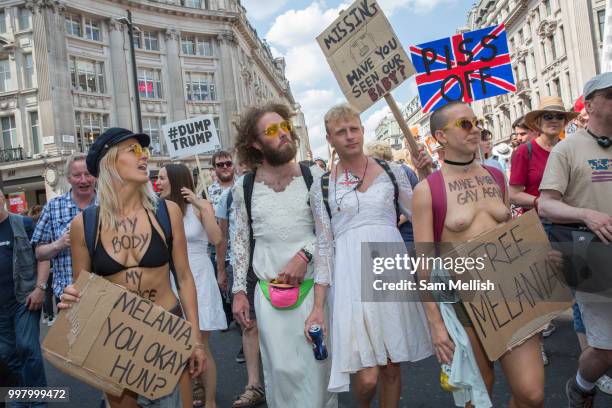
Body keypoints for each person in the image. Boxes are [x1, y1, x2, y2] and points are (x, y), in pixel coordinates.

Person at [58, 128, 206, 408]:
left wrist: (195, 339)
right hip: (117, 341)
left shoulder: (166, 212)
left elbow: (185, 279)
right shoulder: (84, 225)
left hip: (168, 333)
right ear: (110, 161)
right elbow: (83, 294)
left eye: (144, 151)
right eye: (133, 151)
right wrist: (70, 298)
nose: (144, 157)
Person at [413, 101, 545, 408]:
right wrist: (436, 325)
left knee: (532, 394)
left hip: (511, 295)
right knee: (476, 396)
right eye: (464, 124)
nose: (476, 130)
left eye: (476, 122)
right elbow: (423, 265)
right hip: (464, 304)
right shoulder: (428, 190)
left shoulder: (496, 177)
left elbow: (511, 237)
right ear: (440, 137)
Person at [307, 105, 432, 406]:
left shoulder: (394, 171)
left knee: (391, 365)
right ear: (330, 139)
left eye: (354, 129)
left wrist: (428, 175)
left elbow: (422, 214)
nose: (350, 136)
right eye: (341, 132)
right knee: (367, 377)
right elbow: (324, 245)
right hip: (350, 277)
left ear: (362, 130)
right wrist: (318, 306)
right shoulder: (321, 186)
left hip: (390, 269)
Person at [231, 102, 336, 408]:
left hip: (313, 292)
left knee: (317, 370)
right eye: (272, 131)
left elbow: (329, 231)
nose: (284, 134)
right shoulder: (245, 187)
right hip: (268, 294)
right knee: (280, 371)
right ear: (255, 142)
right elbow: (239, 241)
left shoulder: (312, 175)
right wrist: (239, 290)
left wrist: (305, 255)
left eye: (285, 127)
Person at [538, 72, 612, 407]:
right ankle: (581, 385)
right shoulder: (568, 149)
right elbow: (546, 202)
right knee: (605, 349)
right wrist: (585, 214)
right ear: (591, 103)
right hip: (591, 257)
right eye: (610, 94)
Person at [157, 163, 224, 408]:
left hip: (199, 276)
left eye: (162, 178)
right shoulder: (160, 209)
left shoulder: (201, 206)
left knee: (201, 344)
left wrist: (200, 205)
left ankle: (210, 401)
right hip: (172, 278)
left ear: (176, 179)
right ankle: (184, 397)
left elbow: (216, 239)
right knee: (175, 344)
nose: (158, 182)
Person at [0, 189, 49, 407]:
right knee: (7, 356)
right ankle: (20, 400)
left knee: (28, 348)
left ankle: (38, 403)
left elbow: (43, 256)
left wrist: (40, 288)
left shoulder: (23, 224)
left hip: (24, 299)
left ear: (2, 199)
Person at [31, 153, 97, 302]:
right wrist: (58, 244)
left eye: (88, 174)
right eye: (77, 175)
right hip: (67, 296)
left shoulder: (108, 205)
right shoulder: (53, 207)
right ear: (68, 178)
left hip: (103, 294)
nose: (83, 180)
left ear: (95, 176)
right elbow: (39, 254)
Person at [509, 96, 578, 222]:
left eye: (559, 116)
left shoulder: (571, 150)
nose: (554, 120)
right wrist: (541, 203)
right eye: (548, 116)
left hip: (570, 225)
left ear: (565, 122)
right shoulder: (524, 151)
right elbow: (513, 195)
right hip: (539, 225)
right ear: (538, 122)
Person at [208, 150, 235, 328]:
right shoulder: (209, 191)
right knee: (229, 296)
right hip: (220, 253)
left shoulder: (243, 185)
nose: (225, 167)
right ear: (214, 168)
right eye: (220, 164)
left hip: (242, 252)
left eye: (228, 163)